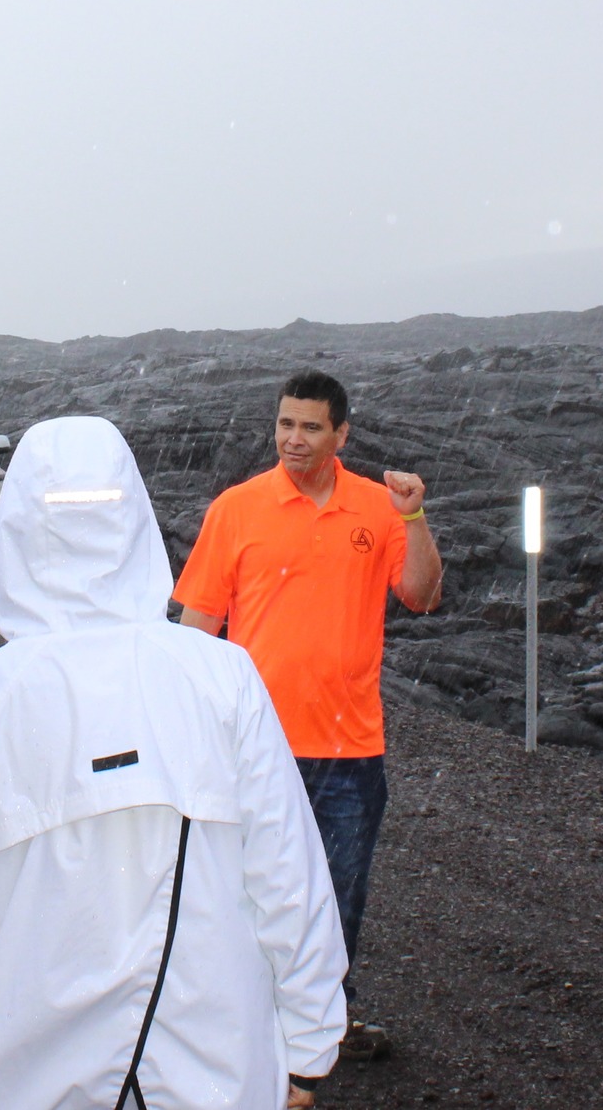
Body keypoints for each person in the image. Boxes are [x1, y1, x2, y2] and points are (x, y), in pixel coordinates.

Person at [0, 416, 348, 1109]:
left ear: (16, 526)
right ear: (135, 518)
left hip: (31, 1071)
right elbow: (287, 871)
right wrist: (310, 1041)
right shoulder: (220, 676)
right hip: (214, 1063)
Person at [173, 370, 444, 1060]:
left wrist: (413, 517)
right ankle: (247, 1027)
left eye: (310, 427)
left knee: (336, 899)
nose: (293, 439)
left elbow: (421, 596)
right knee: (244, 896)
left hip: (350, 749)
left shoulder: (378, 507)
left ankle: (324, 1027)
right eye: (285, 424)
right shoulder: (236, 508)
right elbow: (197, 627)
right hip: (254, 747)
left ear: (341, 434)